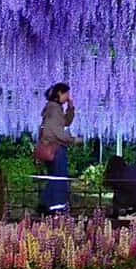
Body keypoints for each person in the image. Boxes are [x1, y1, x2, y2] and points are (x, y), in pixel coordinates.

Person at [38, 83, 80, 214]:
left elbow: (65, 122)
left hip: (53, 148)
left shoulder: (55, 108)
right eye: (66, 93)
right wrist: (73, 140)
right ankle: (55, 207)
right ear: (59, 93)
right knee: (59, 178)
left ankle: (48, 204)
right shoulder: (54, 109)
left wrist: (71, 108)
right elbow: (57, 131)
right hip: (56, 149)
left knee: (55, 177)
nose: (68, 96)